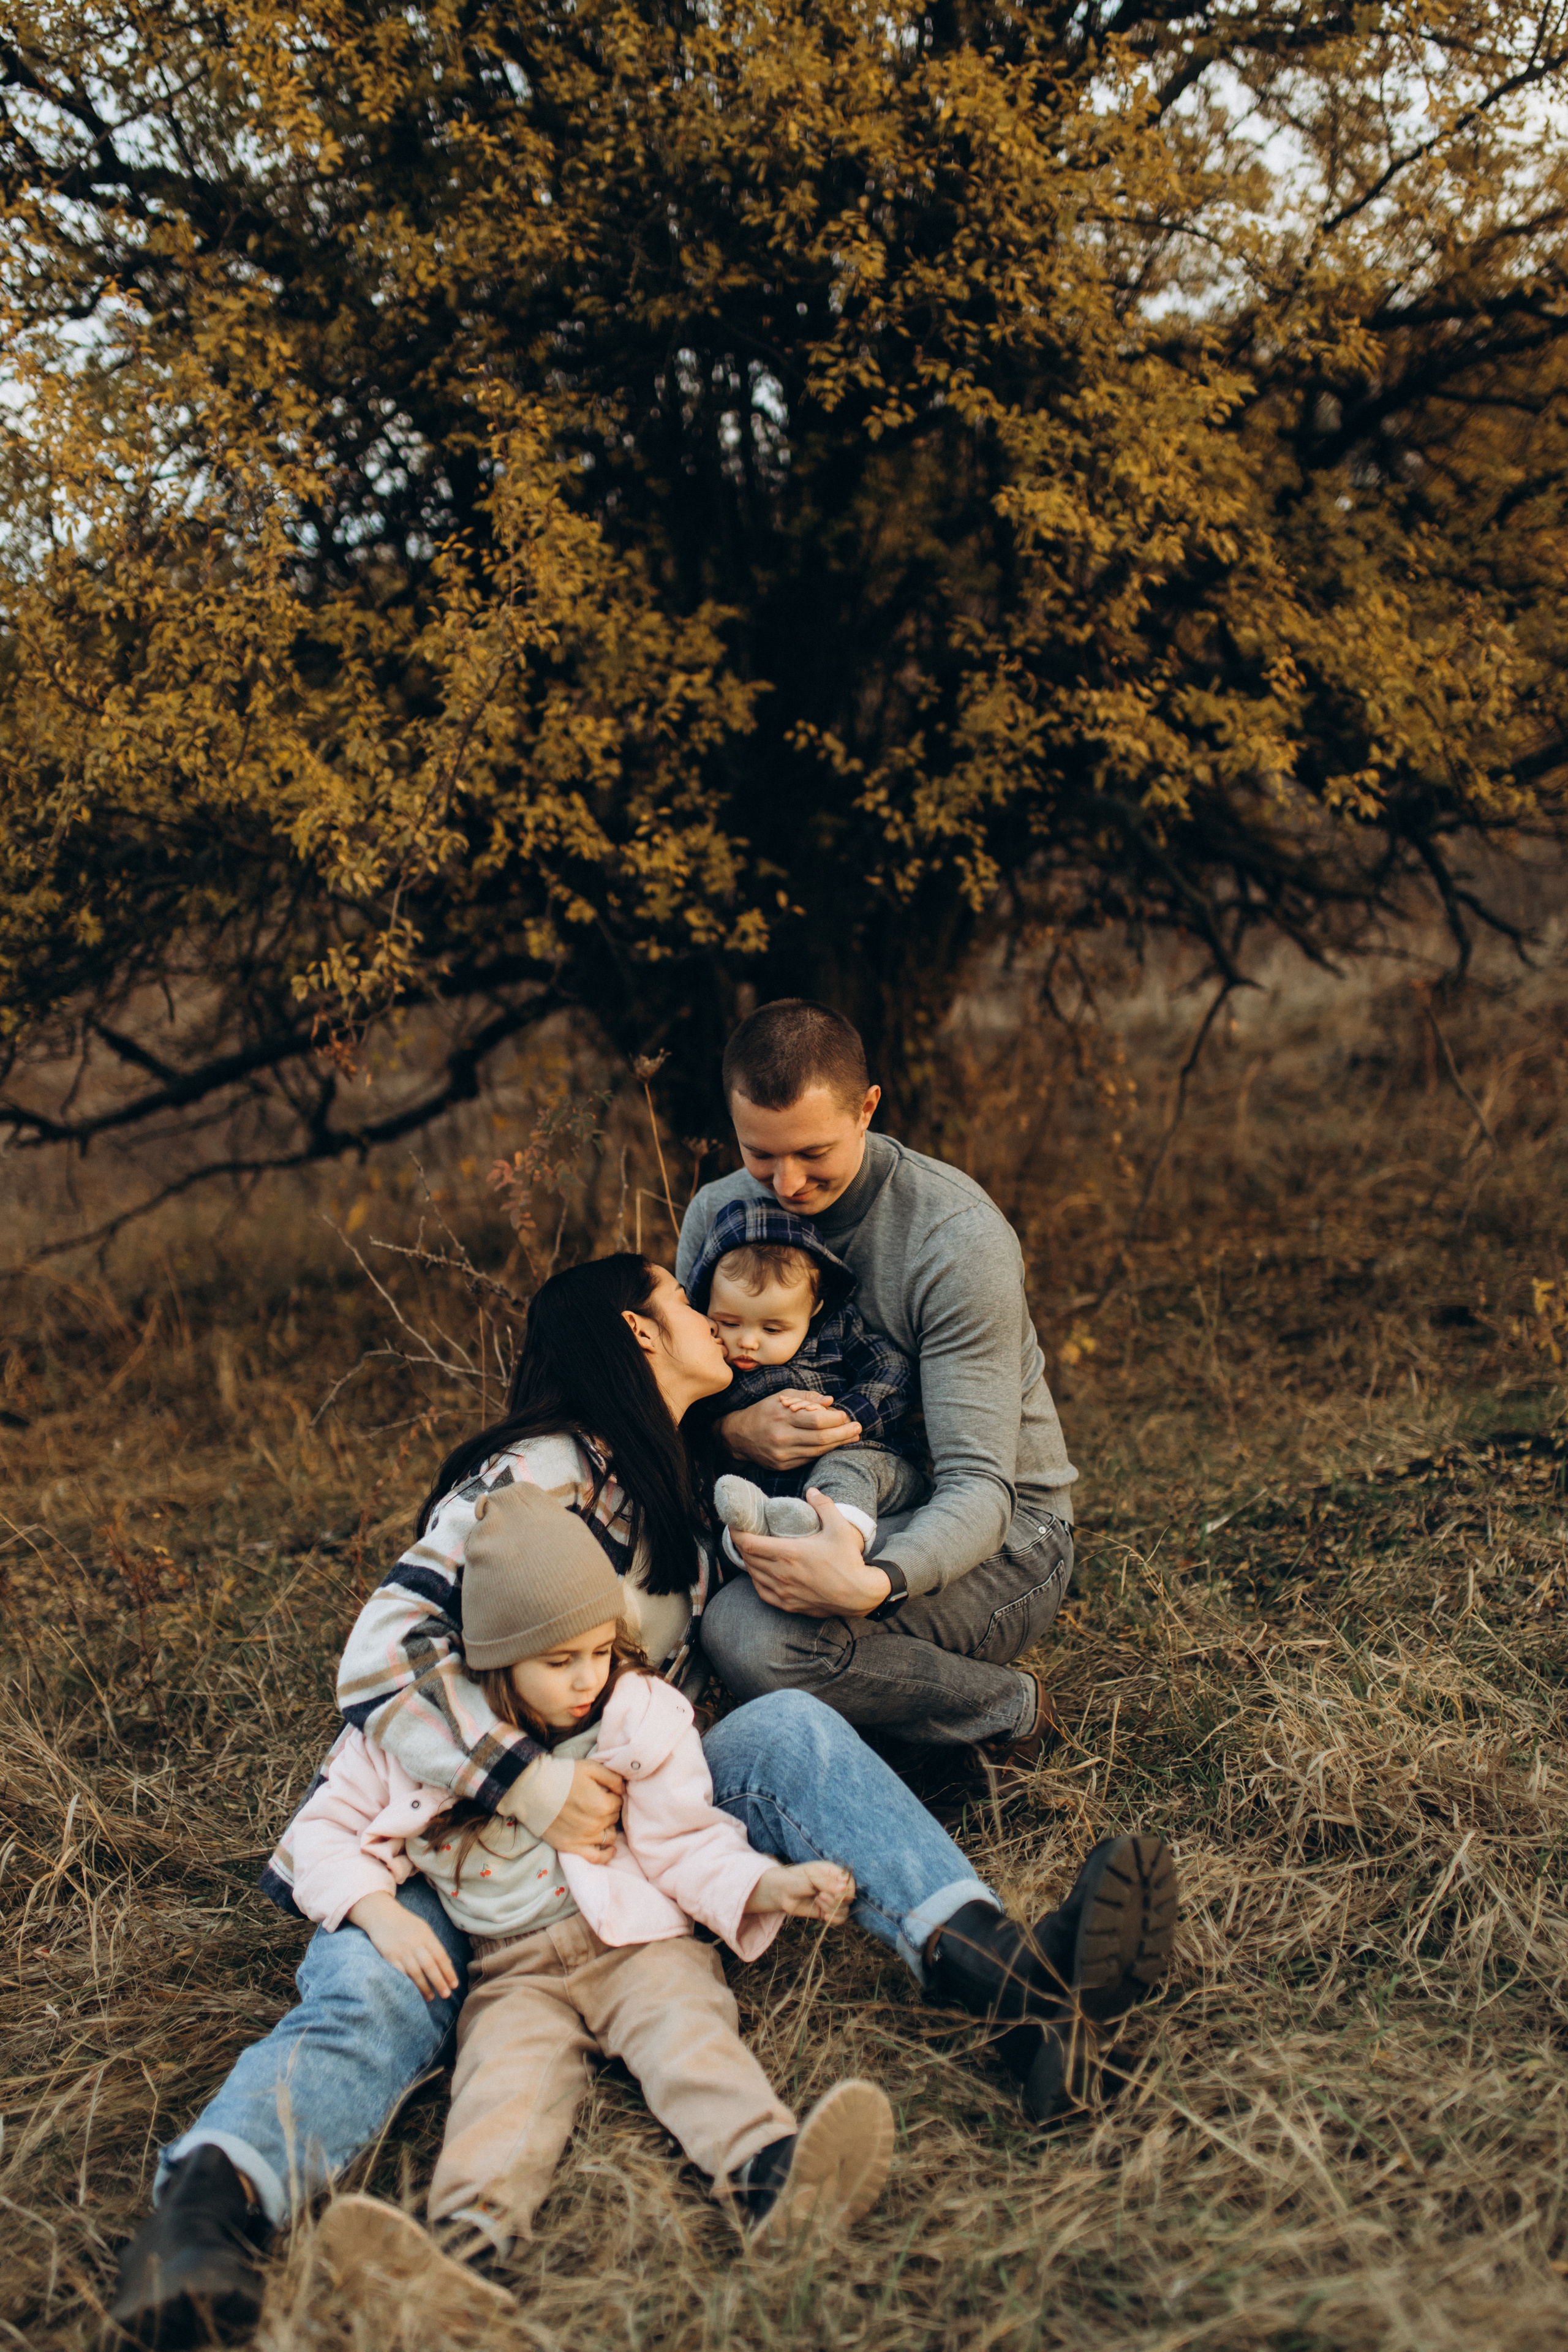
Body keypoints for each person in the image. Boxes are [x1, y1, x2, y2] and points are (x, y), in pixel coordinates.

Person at [109, 1253, 1175, 2350]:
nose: (711, 1311)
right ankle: (202, 2229)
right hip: (443, 1828)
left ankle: (1016, 1987)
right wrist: (531, 1785)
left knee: (789, 1737)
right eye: (683, 1296)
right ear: (640, 1329)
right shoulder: (543, 1471)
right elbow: (384, 1656)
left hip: (614, 1838)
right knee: (374, 1997)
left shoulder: (670, 1472)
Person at [290, 1480, 893, 2309]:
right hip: (512, 1973)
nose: (586, 1681)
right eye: (558, 1661)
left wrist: (768, 1883)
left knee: (689, 2039)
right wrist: (377, 1910)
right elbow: (316, 1836)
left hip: (640, 1946)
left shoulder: (637, 1714)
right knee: (503, 2089)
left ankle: (775, 2178)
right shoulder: (420, 1739)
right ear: (495, 1658)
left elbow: (684, 1837)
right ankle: (460, 2254)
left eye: (600, 1653)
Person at [677, 998, 1077, 1768]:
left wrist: (876, 1582)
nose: (786, 1184)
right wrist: (730, 1431)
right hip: (782, 1499)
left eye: (812, 1153)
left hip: (1001, 1536)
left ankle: (1005, 1714)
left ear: (867, 1109)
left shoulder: (953, 1237)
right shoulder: (717, 1214)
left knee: (745, 1634)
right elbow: (676, 1402)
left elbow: (980, 1485)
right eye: (760, 1154)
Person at [689, 1200, 927, 1560]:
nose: (748, 1342)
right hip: (769, 1483)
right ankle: (746, 1547)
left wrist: (847, 1416)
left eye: (773, 1328)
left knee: (848, 1468)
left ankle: (837, 1539)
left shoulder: (834, 1330)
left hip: (865, 1459)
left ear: (813, 1309)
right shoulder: (704, 1353)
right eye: (730, 1322)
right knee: (725, 1492)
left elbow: (894, 1370)